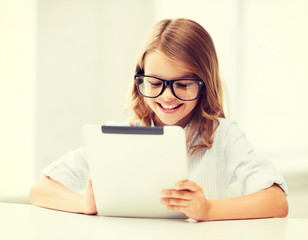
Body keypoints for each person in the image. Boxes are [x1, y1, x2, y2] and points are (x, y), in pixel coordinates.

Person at [29, 18, 288, 221]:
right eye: (154, 83)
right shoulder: (120, 137)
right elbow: (40, 190)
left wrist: (208, 209)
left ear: (205, 84)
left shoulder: (223, 135)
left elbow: (277, 202)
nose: (166, 96)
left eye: (183, 84)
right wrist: (84, 205)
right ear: (140, 79)